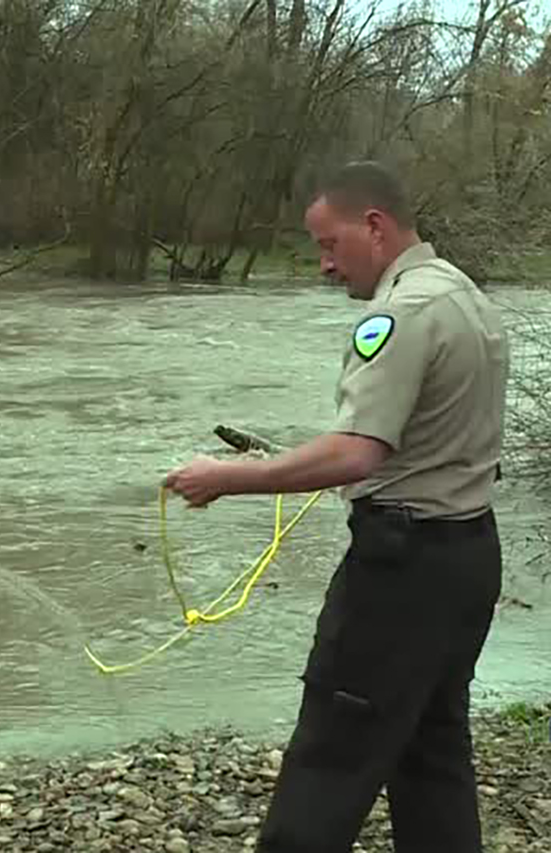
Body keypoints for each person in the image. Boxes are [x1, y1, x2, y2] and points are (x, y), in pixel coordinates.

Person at [164, 160, 508, 852]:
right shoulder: (465, 296)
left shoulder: (401, 313)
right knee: (432, 754)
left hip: (401, 572)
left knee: (330, 757)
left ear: (374, 226)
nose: (324, 264)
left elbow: (356, 452)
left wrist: (227, 476)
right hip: (469, 555)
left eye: (329, 244)